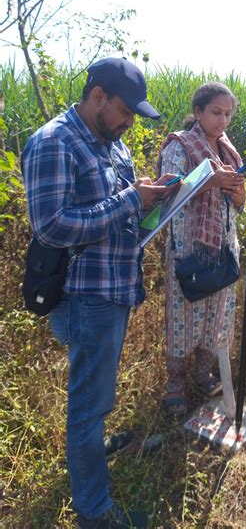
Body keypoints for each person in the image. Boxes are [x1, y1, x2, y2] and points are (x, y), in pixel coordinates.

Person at [21, 57, 180, 529]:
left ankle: (90, 452)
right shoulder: (55, 142)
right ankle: (94, 514)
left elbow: (121, 202)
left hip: (114, 289)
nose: (130, 121)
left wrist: (154, 194)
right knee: (87, 408)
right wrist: (133, 199)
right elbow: (51, 227)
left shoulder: (111, 143)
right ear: (97, 98)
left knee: (97, 397)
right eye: (125, 111)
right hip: (86, 297)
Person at [157, 81, 245, 416]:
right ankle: (175, 384)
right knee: (184, 318)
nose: (222, 120)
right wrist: (210, 181)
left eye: (227, 114)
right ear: (198, 112)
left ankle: (203, 373)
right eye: (215, 112)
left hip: (222, 249)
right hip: (189, 249)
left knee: (215, 316)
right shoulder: (180, 147)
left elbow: (238, 203)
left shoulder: (227, 150)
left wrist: (236, 191)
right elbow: (168, 194)